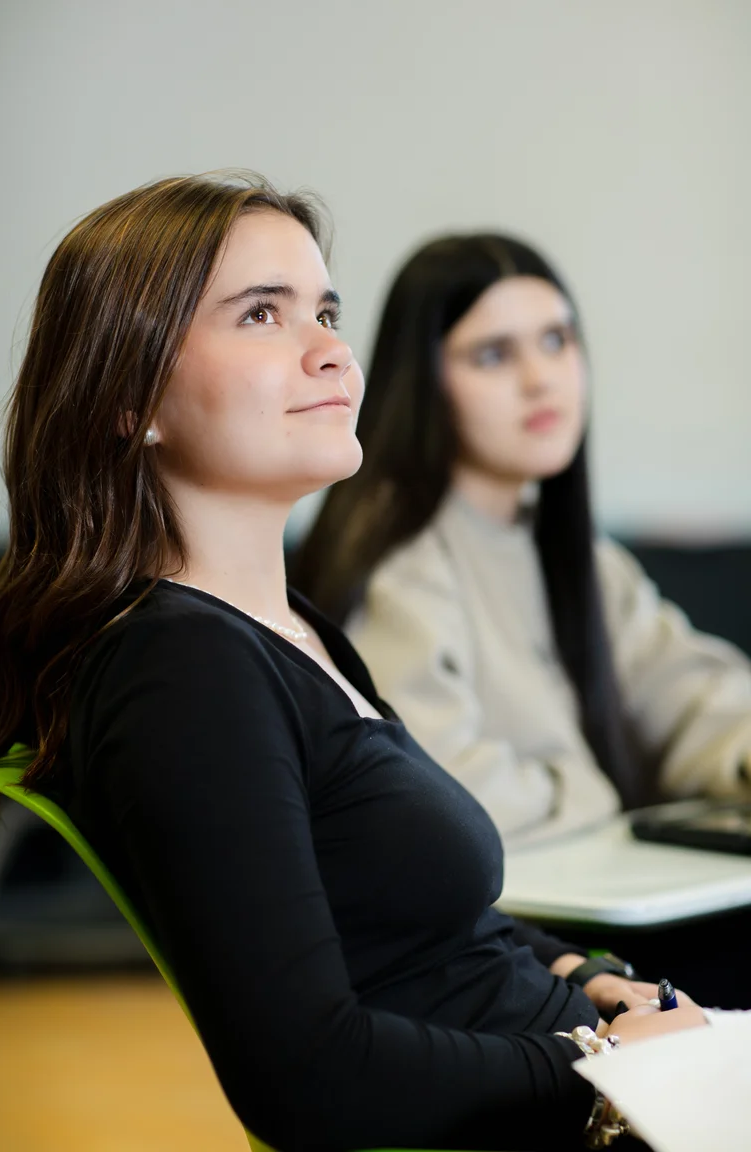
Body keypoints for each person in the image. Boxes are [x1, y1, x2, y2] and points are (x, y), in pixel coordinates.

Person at [0, 175, 706, 1152]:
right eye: (261, 314)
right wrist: (606, 1067)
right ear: (131, 398)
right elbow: (311, 1074)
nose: (331, 348)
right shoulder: (180, 674)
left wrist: (587, 976)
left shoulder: (288, 630)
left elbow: (432, 927)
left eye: (325, 309)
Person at [292, 232, 751, 847]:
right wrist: (596, 793)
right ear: (425, 382)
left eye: (557, 341)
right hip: (499, 925)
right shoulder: (400, 557)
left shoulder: (576, 553)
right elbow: (435, 790)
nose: (542, 380)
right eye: (493, 355)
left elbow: (686, 694)